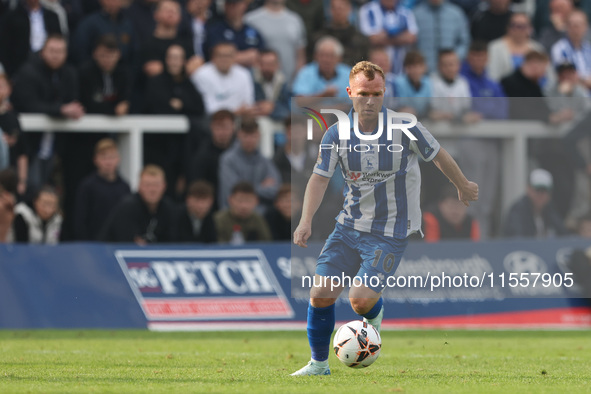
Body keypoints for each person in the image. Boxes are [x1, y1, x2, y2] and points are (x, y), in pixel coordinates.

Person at [290, 60, 478, 376]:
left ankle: (373, 319)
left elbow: (438, 154)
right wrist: (305, 220)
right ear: (349, 92)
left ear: (384, 93)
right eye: (363, 93)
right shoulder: (336, 133)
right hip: (348, 226)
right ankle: (318, 365)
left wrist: (462, 184)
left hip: (390, 231)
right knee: (320, 294)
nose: (370, 101)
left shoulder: (405, 126)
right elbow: (319, 177)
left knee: (360, 301)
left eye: (376, 94)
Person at [11, 34, 84, 191]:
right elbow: (28, 104)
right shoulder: (28, 72)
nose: (56, 55)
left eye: (60, 51)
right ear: (42, 51)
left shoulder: (69, 73)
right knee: (31, 189)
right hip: (30, 145)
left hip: (58, 147)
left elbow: (74, 102)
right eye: (52, 50)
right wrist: (60, 110)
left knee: (53, 193)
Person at [99, 164, 176, 244]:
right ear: (140, 186)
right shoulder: (128, 207)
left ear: (164, 186)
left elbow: (172, 241)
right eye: (147, 185)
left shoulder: (169, 208)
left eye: (156, 185)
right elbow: (125, 242)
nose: (152, 190)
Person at [73, 138, 130, 241]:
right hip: (94, 245)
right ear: (96, 160)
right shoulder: (87, 186)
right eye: (104, 157)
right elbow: (80, 221)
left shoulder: (124, 187)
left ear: (118, 159)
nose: (108, 162)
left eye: (112, 157)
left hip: (118, 244)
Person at [218, 116, 281, 209]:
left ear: (259, 135)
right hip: (232, 215)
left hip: (260, 216)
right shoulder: (228, 159)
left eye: (253, 135)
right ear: (239, 135)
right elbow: (232, 192)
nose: (249, 140)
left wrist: (247, 190)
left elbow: (276, 190)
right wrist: (261, 187)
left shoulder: (265, 161)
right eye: (246, 135)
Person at [244, 0, 307, 82]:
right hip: (259, 84)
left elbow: (300, 56)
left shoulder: (296, 20)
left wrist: (298, 81)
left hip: (289, 84)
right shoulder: (250, 20)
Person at [0, 0, 64, 77]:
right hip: (22, 64)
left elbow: (59, 40)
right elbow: (5, 47)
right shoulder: (12, 17)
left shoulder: (52, 16)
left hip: (48, 61)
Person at [187, 109, 235, 209]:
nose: (222, 132)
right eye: (218, 127)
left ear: (233, 127)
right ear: (211, 127)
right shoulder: (201, 156)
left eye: (225, 127)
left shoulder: (241, 152)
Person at [191, 41, 256, 115]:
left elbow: (248, 101)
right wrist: (233, 113)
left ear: (234, 57)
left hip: (240, 116)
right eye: (221, 56)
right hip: (211, 119)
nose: (225, 59)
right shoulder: (201, 74)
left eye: (229, 56)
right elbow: (206, 106)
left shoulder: (244, 74)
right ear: (213, 57)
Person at [503, 168, 568, 238]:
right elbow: (517, 238)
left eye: (544, 191)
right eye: (537, 190)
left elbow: (563, 235)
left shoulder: (551, 211)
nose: (540, 195)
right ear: (529, 189)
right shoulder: (518, 211)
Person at [359, 0, 418, 75]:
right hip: (375, 69)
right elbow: (371, 39)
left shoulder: (405, 12)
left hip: (400, 68)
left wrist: (385, 35)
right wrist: (400, 35)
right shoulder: (368, 10)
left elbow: (412, 38)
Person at [203, 0, 265, 69]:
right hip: (223, 74)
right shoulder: (215, 30)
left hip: (250, 74)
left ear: (244, 6)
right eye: (229, 4)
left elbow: (261, 57)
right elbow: (217, 58)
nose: (232, 7)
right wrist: (246, 57)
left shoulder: (252, 31)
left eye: (236, 4)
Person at [487, 13, 548, 82]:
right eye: (514, 25)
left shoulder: (538, 49)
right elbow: (492, 77)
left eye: (522, 26)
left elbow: (548, 77)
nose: (518, 29)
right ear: (508, 27)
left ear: (530, 28)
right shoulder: (494, 48)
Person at [71, 0, 135, 65]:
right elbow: (80, 51)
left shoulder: (127, 24)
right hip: (95, 70)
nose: (114, 2)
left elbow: (134, 51)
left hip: (122, 71)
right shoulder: (90, 23)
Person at [413, 0, 470, 71]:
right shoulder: (416, 14)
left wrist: (453, 59)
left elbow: (465, 42)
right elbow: (411, 45)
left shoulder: (456, 14)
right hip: (423, 72)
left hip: (449, 72)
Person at [310, 0, 368, 68]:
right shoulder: (318, 38)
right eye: (334, 8)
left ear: (350, 9)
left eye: (341, 8)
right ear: (329, 10)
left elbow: (365, 66)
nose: (338, 12)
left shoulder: (361, 40)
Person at [0, 73, 27, 197]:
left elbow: (22, 152)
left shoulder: (13, 117)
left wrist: (21, 180)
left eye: (3, 86)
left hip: (9, 180)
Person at [551, 10, 591, 90]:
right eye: (572, 25)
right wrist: (585, 81)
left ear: (586, 27)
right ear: (566, 26)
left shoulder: (589, 48)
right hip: (572, 96)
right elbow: (565, 77)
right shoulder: (559, 48)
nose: (575, 29)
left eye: (579, 25)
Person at [253, 50, 290, 121]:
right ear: (258, 65)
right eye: (264, 64)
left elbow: (288, 109)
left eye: (271, 64)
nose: (267, 68)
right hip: (257, 121)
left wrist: (273, 106)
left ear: (278, 65)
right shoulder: (251, 80)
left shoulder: (284, 82)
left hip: (280, 121)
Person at [394, 50, 431, 116]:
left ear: (424, 67)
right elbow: (399, 106)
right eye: (412, 67)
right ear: (406, 68)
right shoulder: (399, 82)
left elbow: (429, 106)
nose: (416, 70)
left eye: (419, 66)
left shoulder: (428, 82)